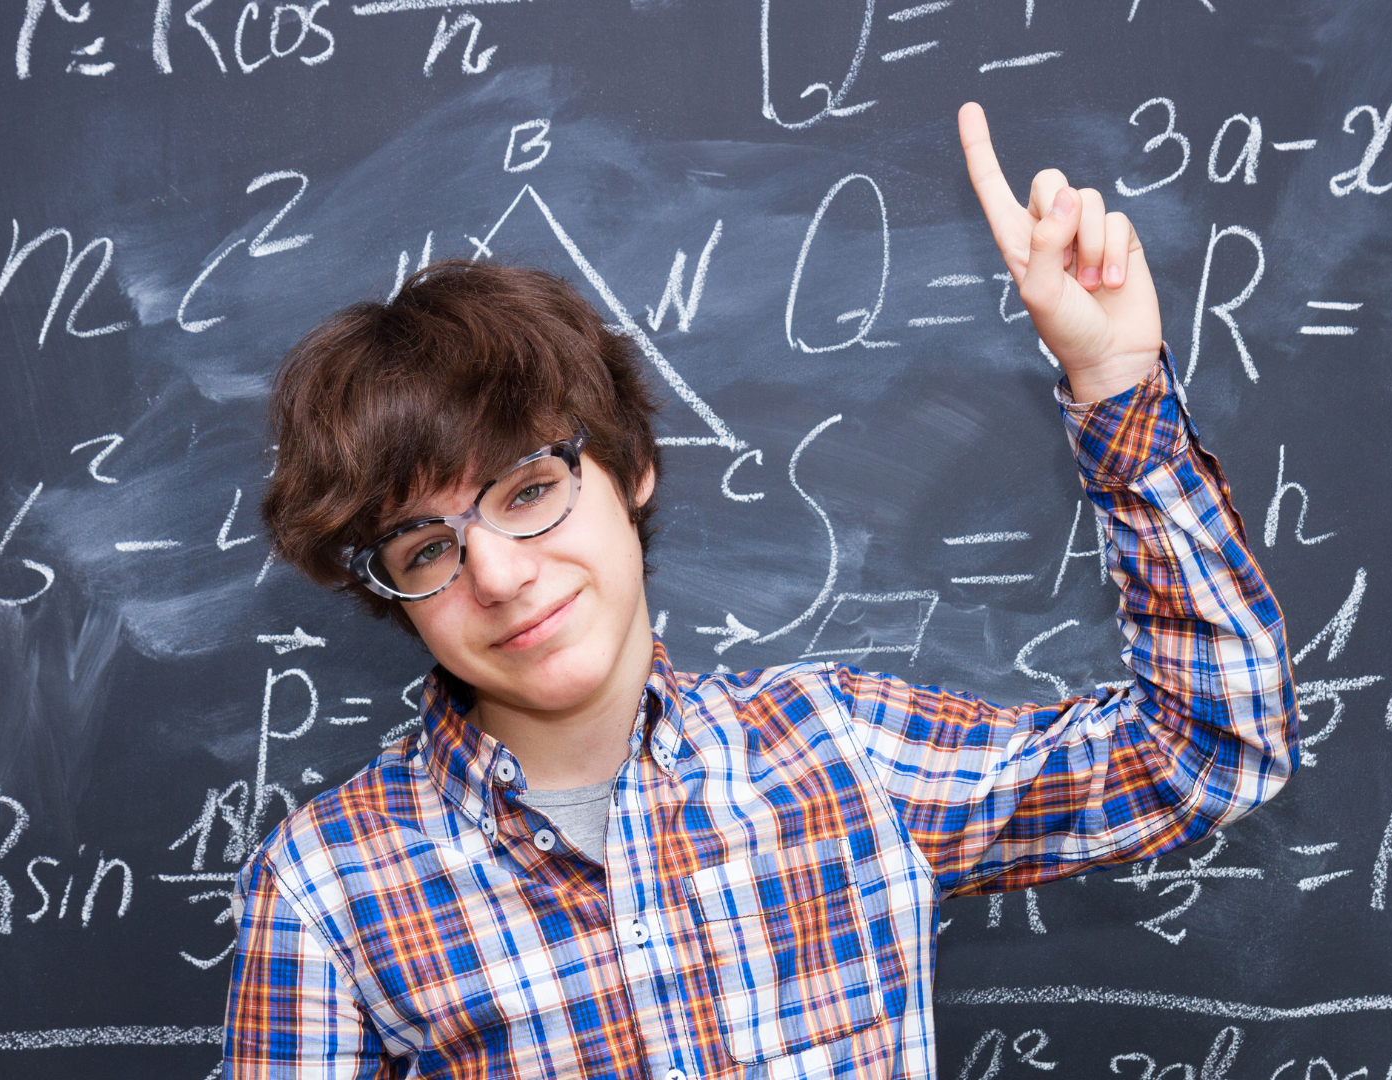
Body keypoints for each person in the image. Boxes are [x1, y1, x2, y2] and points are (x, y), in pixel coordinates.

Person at [224, 102, 1298, 1080]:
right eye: (425, 551)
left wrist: (1118, 387)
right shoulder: (327, 890)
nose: (500, 575)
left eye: (529, 491)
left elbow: (1210, 749)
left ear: (631, 467)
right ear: (393, 594)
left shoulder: (839, 753)